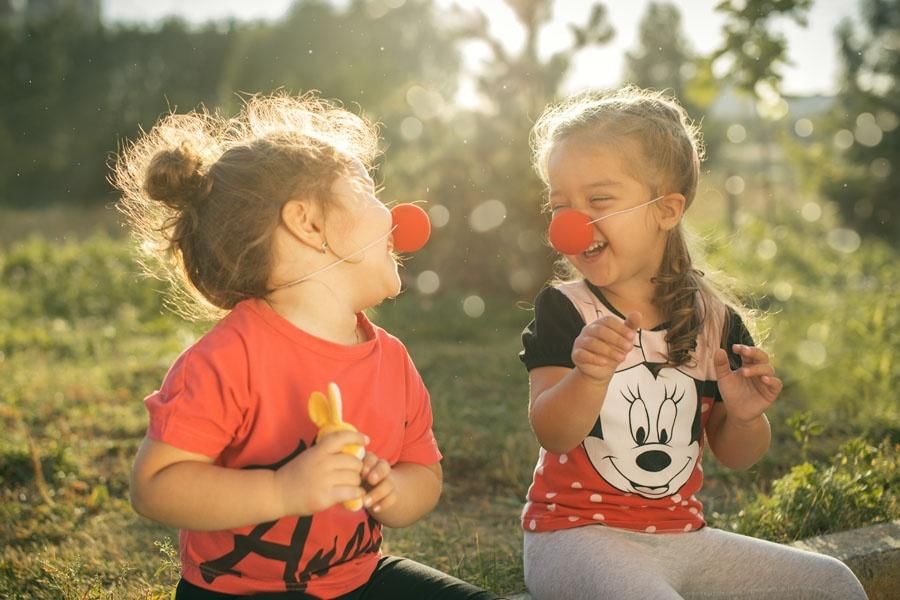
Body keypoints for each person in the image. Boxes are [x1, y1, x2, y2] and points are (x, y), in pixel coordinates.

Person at [115, 93, 496, 599]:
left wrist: (395, 492)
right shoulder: (230, 359)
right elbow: (156, 485)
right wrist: (282, 490)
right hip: (239, 593)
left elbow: (423, 470)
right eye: (367, 189)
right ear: (308, 223)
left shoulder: (392, 360)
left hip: (358, 578)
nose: (393, 212)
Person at [518, 86, 867, 600]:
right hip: (574, 538)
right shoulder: (566, 310)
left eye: (599, 200)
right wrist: (588, 375)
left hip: (684, 538)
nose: (571, 223)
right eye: (560, 204)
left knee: (832, 584)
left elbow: (736, 454)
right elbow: (553, 432)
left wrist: (745, 416)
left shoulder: (715, 321)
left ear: (666, 210)